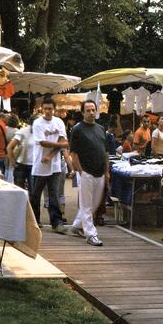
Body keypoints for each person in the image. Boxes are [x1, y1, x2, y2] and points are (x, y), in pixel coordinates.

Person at [69, 100, 108, 246]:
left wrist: (107, 171)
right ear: (83, 112)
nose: (91, 113)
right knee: (86, 205)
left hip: (100, 171)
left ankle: (77, 226)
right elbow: (73, 152)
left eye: (93, 110)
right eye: (88, 110)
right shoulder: (78, 129)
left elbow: (105, 152)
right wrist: (80, 171)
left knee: (95, 203)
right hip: (86, 171)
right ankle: (91, 234)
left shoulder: (100, 129)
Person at [30, 97, 69, 233]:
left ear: (54, 109)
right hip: (39, 164)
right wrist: (61, 145)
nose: (48, 111)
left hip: (55, 165)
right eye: (45, 109)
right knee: (36, 195)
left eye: (50, 109)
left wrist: (51, 155)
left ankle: (56, 222)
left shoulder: (59, 122)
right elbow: (43, 142)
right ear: (42, 109)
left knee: (54, 194)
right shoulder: (37, 123)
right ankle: (35, 221)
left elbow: (63, 139)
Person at [7, 114, 36, 199]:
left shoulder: (41, 132)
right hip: (21, 165)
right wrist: (12, 161)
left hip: (34, 166)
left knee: (33, 193)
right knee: (19, 191)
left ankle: (32, 211)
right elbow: (9, 147)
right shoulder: (23, 132)